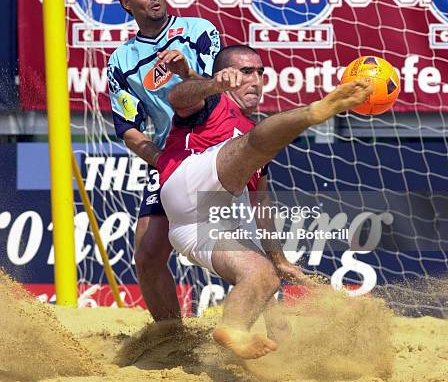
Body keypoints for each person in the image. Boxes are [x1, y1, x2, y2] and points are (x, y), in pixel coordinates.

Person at [153, 45, 371, 359]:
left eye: (260, 73)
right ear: (225, 74)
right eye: (245, 72)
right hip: (185, 186)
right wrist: (215, 84)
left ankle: (237, 330)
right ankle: (315, 112)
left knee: (263, 276)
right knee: (251, 144)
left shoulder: (257, 139)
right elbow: (178, 98)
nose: (255, 80)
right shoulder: (212, 101)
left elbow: (261, 202)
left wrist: (278, 259)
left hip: (193, 228)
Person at [107, 0, 221, 321]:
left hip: (218, 144)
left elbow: (218, 91)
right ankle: (172, 340)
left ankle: (274, 327)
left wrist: (186, 71)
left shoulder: (199, 30)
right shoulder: (121, 61)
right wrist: (163, 160)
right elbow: (128, 129)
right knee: (148, 254)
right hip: (172, 157)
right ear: (127, 3)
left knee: (246, 249)